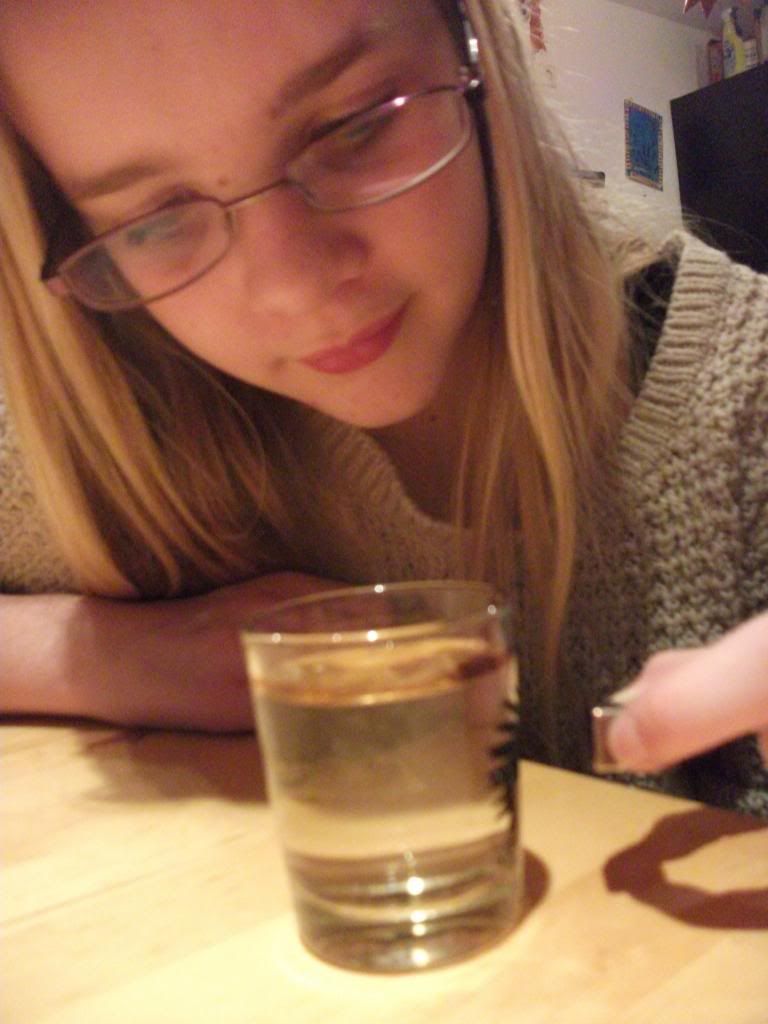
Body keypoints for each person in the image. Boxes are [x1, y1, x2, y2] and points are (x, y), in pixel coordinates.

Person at [1, 0, 766, 814]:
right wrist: (123, 657)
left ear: (473, 54)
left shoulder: (741, 395)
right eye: (152, 223)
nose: (297, 290)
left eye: (357, 126)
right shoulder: (103, 424)